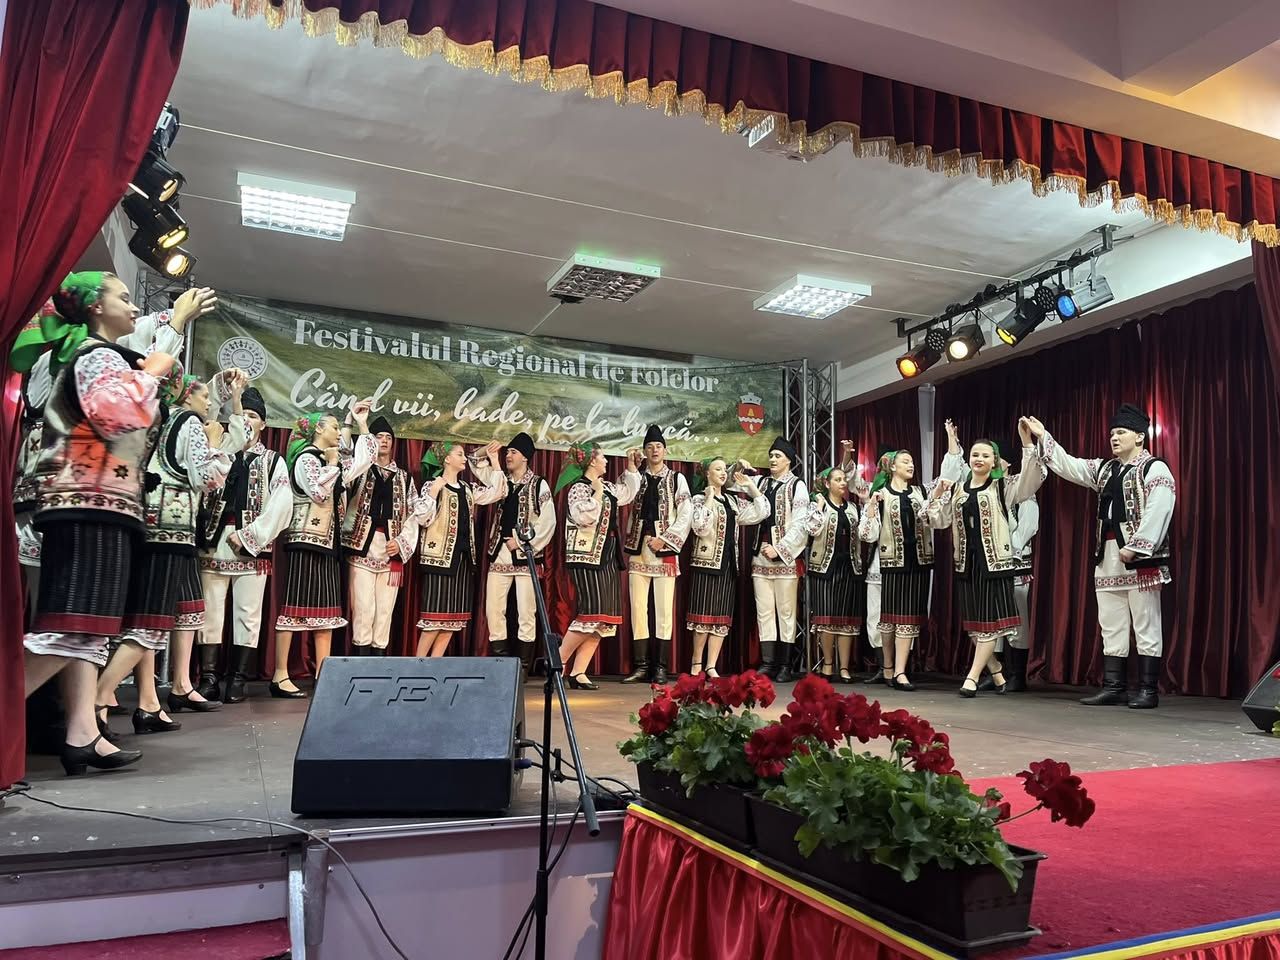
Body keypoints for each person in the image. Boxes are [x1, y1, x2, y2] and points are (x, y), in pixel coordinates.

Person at [16, 271, 176, 774]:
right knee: (71, 625)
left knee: (86, 630)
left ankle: (83, 733)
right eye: (124, 298)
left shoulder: (98, 356)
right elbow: (118, 417)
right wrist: (153, 372)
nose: (134, 307)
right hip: (88, 503)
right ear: (94, 307)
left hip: (99, 502)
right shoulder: (96, 355)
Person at [94, 368, 249, 733]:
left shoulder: (159, 418)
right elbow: (204, 477)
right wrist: (214, 445)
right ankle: (96, 699)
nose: (209, 403)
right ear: (185, 395)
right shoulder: (189, 422)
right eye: (204, 396)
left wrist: (230, 398)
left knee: (145, 619)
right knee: (152, 624)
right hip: (171, 528)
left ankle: (146, 703)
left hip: (148, 522)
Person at [1026, 406, 1176, 709]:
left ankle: (1148, 690)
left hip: (1140, 559)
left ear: (1140, 436)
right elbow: (1070, 466)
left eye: (1121, 432)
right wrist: (1044, 437)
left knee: (1146, 622)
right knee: (1111, 621)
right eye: (1112, 433)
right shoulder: (1106, 469)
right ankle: (1114, 686)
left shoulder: (1154, 468)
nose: (1114, 438)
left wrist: (1138, 545)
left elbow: (1160, 507)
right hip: (1107, 555)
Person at [928, 422, 1044, 697]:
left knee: (991, 625)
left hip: (996, 565)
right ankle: (997, 671)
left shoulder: (1003, 486)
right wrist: (937, 496)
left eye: (985, 455)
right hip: (967, 564)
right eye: (975, 455)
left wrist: (1027, 444)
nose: (979, 459)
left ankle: (972, 677)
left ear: (995, 461)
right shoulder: (958, 490)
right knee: (974, 627)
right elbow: (937, 520)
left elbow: (1032, 478)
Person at [194, 386, 293, 702]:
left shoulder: (273, 461)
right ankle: (209, 677)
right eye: (244, 414)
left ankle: (237, 679)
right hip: (214, 540)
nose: (248, 420)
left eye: (253, 415)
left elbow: (282, 504)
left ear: (263, 423)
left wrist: (251, 536)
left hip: (252, 546)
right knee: (210, 610)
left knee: (248, 613)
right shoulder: (219, 451)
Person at [272, 403, 377, 697]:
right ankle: (280, 675)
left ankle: (323, 675)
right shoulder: (306, 458)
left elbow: (364, 460)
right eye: (334, 426)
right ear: (318, 429)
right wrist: (332, 465)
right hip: (305, 540)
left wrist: (360, 423)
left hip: (329, 542)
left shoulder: (330, 459)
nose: (338, 432)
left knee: (326, 614)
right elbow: (318, 492)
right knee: (293, 609)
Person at [556, 443, 643, 688]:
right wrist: (595, 493)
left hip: (606, 556)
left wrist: (631, 467)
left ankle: (578, 672)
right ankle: (557, 664)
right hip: (585, 557)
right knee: (591, 613)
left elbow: (628, 493)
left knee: (604, 618)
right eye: (603, 457)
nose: (606, 461)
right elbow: (584, 517)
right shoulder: (579, 488)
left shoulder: (606, 486)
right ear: (592, 461)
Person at [412, 440, 506, 657]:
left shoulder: (467, 488)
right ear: (447, 459)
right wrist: (433, 493)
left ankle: (434, 665)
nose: (464, 458)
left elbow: (498, 492)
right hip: (439, 560)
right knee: (433, 620)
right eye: (460, 454)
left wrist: (494, 461)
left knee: (451, 621)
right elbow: (422, 518)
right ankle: (418, 665)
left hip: (462, 561)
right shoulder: (433, 485)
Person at [474, 432, 555, 668]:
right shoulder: (500, 479)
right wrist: (487, 450)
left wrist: (520, 542)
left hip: (525, 556)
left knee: (526, 612)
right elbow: (474, 461)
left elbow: (548, 521)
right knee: (494, 609)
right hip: (499, 553)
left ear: (525, 457)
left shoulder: (538, 484)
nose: (508, 456)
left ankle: (524, 666)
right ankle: (500, 662)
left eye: (513, 452)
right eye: (507, 451)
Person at [621, 425, 692, 685]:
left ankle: (660, 666)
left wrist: (665, 539)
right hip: (639, 548)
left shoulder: (676, 479)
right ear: (644, 451)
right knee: (638, 609)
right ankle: (641, 666)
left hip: (664, 550)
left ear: (665, 451)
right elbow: (622, 497)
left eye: (658, 446)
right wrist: (631, 468)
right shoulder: (635, 478)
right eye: (649, 447)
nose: (654, 451)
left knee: (663, 610)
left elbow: (686, 513)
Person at [685, 456, 770, 676]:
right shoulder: (698, 499)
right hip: (706, 563)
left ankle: (711, 665)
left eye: (724, 469)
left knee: (721, 619)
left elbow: (762, 512)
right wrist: (708, 499)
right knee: (702, 617)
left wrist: (751, 486)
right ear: (707, 473)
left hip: (728, 565)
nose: (723, 473)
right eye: (718, 469)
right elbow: (700, 528)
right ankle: (696, 663)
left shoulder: (732, 501)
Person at [858, 449, 934, 691]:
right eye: (905, 461)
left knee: (907, 620)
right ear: (892, 467)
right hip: (890, 564)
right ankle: (888, 667)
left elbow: (934, 516)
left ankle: (900, 671)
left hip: (917, 563)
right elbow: (867, 534)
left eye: (912, 461)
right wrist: (871, 506)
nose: (911, 465)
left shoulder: (920, 493)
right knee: (888, 621)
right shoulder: (881, 495)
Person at [341, 416, 418, 655]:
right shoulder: (360, 470)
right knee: (363, 607)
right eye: (378, 437)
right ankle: (361, 662)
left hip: (390, 549)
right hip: (362, 547)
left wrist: (402, 542)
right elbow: (343, 461)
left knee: (385, 610)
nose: (384, 441)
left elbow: (413, 514)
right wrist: (350, 426)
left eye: (388, 438)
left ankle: (379, 661)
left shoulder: (404, 477)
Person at [746, 436, 810, 681]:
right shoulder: (761, 482)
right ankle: (768, 662)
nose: (772, 459)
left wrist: (780, 549)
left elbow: (800, 523)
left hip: (784, 557)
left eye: (777, 456)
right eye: (771, 456)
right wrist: (738, 468)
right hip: (761, 554)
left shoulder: (797, 486)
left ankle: (785, 664)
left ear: (789, 461)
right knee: (764, 610)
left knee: (786, 611)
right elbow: (732, 483)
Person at [805, 466, 867, 683]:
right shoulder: (818, 505)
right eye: (837, 479)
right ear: (827, 483)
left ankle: (844, 667)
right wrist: (819, 508)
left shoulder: (853, 508)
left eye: (844, 479)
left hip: (849, 567)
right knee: (827, 618)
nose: (842, 483)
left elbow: (865, 534)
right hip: (824, 568)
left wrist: (867, 503)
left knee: (846, 620)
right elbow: (811, 530)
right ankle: (828, 665)